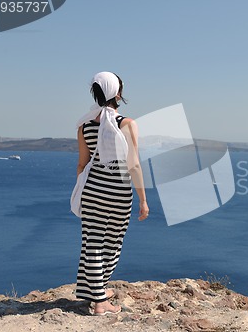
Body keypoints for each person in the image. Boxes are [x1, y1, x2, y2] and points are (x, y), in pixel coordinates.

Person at [74, 71, 149, 315]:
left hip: (92, 189)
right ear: (118, 93)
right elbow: (134, 164)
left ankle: (94, 291)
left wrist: (85, 191)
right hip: (118, 192)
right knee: (112, 243)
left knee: (92, 242)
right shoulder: (126, 124)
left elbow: (82, 165)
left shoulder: (84, 126)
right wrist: (143, 200)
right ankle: (100, 301)